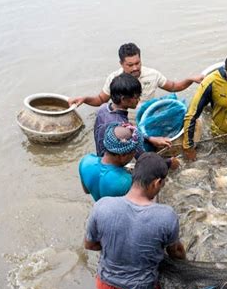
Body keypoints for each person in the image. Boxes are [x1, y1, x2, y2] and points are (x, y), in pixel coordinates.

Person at [84, 152, 186, 289]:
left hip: (105, 285)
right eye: (162, 184)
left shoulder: (102, 205)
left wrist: (117, 247)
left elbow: (90, 244)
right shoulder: (166, 215)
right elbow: (176, 252)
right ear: (156, 183)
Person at [68, 42, 204, 107]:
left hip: (146, 117)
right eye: (130, 65)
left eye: (138, 63)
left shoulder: (152, 74)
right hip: (126, 120)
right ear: (121, 63)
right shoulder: (114, 79)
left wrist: (190, 79)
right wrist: (84, 99)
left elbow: (174, 86)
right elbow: (100, 100)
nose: (135, 68)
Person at [94, 73, 172, 156]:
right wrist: (168, 162)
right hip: (113, 162)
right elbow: (141, 156)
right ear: (123, 99)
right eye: (136, 97)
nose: (138, 100)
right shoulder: (121, 125)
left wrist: (150, 139)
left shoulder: (103, 108)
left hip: (101, 156)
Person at [79, 122, 143, 201]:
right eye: (134, 152)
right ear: (123, 155)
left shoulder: (85, 161)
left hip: (98, 207)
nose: (134, 154)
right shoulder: (127, 182)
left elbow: (86, 191)